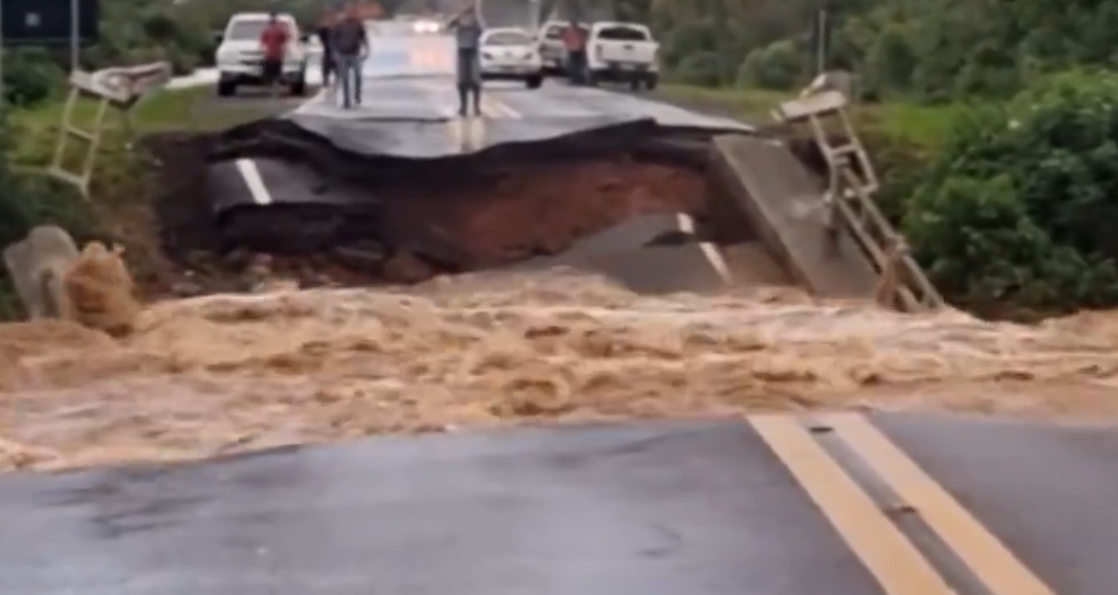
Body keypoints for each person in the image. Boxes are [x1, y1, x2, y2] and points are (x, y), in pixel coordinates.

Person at [330, 3, 370, 109]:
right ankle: (346, 100)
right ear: (345, 12)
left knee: (358, 75)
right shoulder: (339, 25)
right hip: (343, 54)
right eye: (348, 11)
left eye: (352, 11)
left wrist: (367, 49)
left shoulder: (358, 24)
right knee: (345, 79)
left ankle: (357, 96)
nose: (350, 13)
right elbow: (333, 40)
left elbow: (363, 37)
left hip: (355, 54)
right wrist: (335, 53)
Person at [259, 13, 290, 97]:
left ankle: (274, 89)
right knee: (276, 73)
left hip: (270, 54)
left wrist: (262, 50)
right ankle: (275, 89)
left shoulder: (267, 30)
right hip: (276, 54)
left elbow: (262, 43)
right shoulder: (279, 30)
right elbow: (285, 40)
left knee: (271, 73)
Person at [316, 11, 336, 91]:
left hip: (335, 52)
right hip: (328, 51)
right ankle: (326, 81)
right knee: (326, 67)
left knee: (334, 67)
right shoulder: (325, 31)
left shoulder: (336, 30)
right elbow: (319, 30)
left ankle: (336, 81)